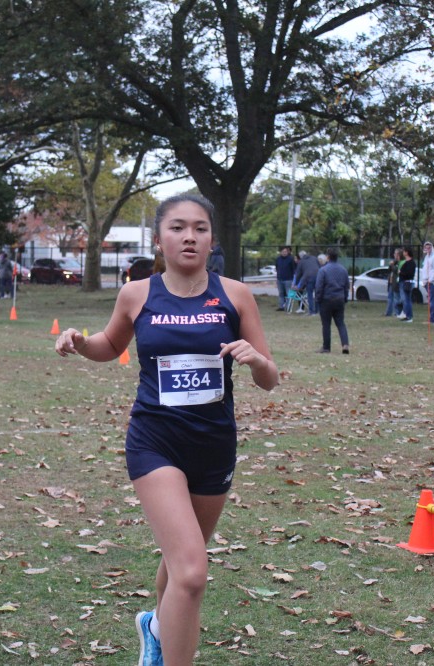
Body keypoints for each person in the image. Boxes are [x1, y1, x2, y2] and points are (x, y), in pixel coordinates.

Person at [55, 194, 278, 666]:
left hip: (214, 444)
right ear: (159, 239)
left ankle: (156, 628)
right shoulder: (137, 294)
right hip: (155, 442)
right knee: (192, 572)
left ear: (212, 239)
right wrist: (80, 342)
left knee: (182, 560)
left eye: (200, 228)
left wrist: (257, 360)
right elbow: (109, 344)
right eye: (177, 228)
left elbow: (270, 378)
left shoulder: (236, 295)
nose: (189, 237)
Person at [314, 248, 350, 354]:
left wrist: (318, 299)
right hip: (339, 299)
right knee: (340, 323)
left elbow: (319, 286)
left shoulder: (323, 270)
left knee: (326, 324)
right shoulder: (343, 270)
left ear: (328, 257)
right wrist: (345, 298)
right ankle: (345, 344)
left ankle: (326, 347)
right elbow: (346, 286)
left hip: (327, 299)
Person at [293, 250, 321, 316]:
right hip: (318, 277)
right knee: (317, 294)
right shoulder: (314, 258)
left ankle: (311, 311)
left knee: (310, 295)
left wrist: (296, 284)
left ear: (300, 257)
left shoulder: (301, 262)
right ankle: (318, 311)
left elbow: (298, 274)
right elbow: (320, 267)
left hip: (309, 278)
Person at [421, 241, 434, 324]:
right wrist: (424, 281)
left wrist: (430, 280)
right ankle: (431, 319)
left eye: (429, 247)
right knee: (430, 300)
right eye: (426, 247)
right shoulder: (427, 257)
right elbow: (425, 269)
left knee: (432, 301)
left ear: (431, 247)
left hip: (432, 282)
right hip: (427, 282)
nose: (427, 249)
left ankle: (433, 319)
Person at [274, 246, 296, 311]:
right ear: (280, 252)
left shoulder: (291, 259)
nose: (284, 253)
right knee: (281, 293)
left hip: (288, 279)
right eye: (283, 251)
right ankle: (281, 306)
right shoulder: (278, 259)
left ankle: (288, 307)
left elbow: (294, 269)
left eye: (285, 251)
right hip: (280, 279)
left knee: (288, 294)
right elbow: (277, 267)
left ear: (287, 252)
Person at [397, 247, 416, 323]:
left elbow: (409, 273)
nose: (403, 253)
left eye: (404, 251)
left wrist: (400, 272)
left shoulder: (411, 263)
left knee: (406, 300)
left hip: (407, 283)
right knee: (406, 300)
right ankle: (406, 315)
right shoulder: (406, 262)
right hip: (404, 282)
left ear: (407, 252)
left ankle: (409, 316)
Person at [385, 247, 403, 317]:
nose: (394, 255)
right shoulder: (394, 262)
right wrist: (391, 265)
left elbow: (396, 270)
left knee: (396, 298)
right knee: (390, 298)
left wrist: (392, 265)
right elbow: (389, 270)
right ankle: (388, 312)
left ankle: (397, 312)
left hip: (396, 283)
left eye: (395, 253)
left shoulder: (400, 262)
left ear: (398, 254)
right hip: (391, 282)